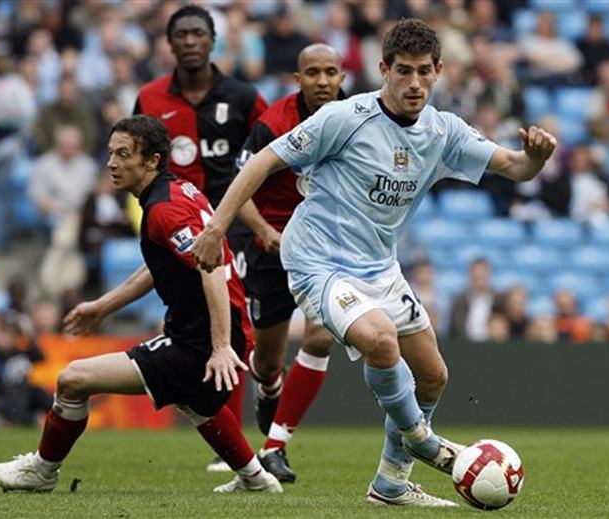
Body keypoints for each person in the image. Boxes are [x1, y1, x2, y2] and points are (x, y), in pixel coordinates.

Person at [190, 19, 556, 507]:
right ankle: (424, 442)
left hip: (380, 268)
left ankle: (390, 485)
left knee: (433, 376)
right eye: (403, 71)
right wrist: (216, 228)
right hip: (318, 260)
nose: (414, 83)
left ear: (439, 70)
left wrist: (536, 158)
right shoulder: (344, 117)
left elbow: (515, 167)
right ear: (383, 69)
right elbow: (262, 162)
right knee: (380, 340)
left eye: (424, 71)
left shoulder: (443, 130)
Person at [0, 115, 282, 495]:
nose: (112, 163)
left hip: (202, 341)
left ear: (152, 160)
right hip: (209, 331)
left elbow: (212, 267)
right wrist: (103, 306)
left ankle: (41, 471)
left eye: (123, 154)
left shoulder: (164, 210)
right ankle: (256, 479)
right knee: (196, 401)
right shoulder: (175, 191)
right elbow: (164, 264)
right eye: (110, 154)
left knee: (73, 380)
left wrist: (220, 347)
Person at [133, 6, 268, 470]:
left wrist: (261, 223)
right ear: (170, 44)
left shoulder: (244, 96)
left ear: (213, 40)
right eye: (181, 35)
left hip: (234, 228)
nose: (190, 41)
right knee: (195, 322)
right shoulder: (150, 97)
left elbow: (268, 155)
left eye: (198, 33)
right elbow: (136, 155)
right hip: (178, 225)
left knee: (236, 320)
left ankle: (234, 436)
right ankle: (229, 433)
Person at [235, 43, 345, 483]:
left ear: (342, 77)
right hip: (273, 248)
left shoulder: (360, 118)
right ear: (297, 79)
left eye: (331, 72)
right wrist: (265, 232)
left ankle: (275, 446)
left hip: (329, 249)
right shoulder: (272, 124)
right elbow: (240, 188)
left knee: (321, 335)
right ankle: (269, 386)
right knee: (266, 361)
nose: (323, 81)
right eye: (313, 73)